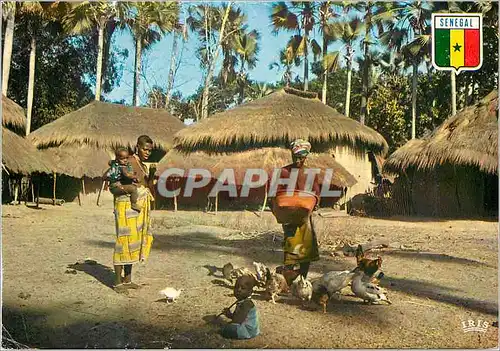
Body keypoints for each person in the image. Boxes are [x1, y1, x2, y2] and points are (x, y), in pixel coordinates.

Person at [112, 135, 155, 293]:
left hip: (138, 206)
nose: (147, 152)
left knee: (134, 242)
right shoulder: (127, 161)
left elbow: (145, 184)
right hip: (126, 205)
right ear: (137, 146)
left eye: (150, 150)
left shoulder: (142, 165)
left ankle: (128, 279)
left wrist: (151, 174)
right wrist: (126, 189)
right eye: (145, 149)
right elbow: (115, 182)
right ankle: (117, 282)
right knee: (123, 241)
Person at [275, 139, 321, 279]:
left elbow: (316, 193)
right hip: (289, 217)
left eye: (301, 157)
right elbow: (275, 193)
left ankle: (302, 279)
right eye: (295, 157)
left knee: (306, 251)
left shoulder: (310, 173)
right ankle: (288, 281)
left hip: (305, 217)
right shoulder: (284, 172)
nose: (298, 160)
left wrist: (313, 203)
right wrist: (279, 210)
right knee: (290, 250)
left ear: (306, 156)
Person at [221, 275, 260, 339]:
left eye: (243, 288)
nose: (238, 290)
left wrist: (229, 315)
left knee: (227, 329)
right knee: (229, 326)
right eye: (236, 287)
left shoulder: (246, 304)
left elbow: (237, 320)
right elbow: (238, 317)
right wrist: (230, 315)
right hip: (246, 328)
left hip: (248, 331)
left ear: (250, 292)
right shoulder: (242, 301)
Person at [105, 147, 141, 212]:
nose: (125, 160)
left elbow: (110, 162)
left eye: (126, 158)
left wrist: (133, 179)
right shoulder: (121, 167)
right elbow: (126, 175)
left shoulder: (117, 164)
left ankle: (116, 208)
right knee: (133, 189)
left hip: (115, 186)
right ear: (117, 158)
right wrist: (135, 177)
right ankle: (133, 204)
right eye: (122, 158)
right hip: (115, 187)